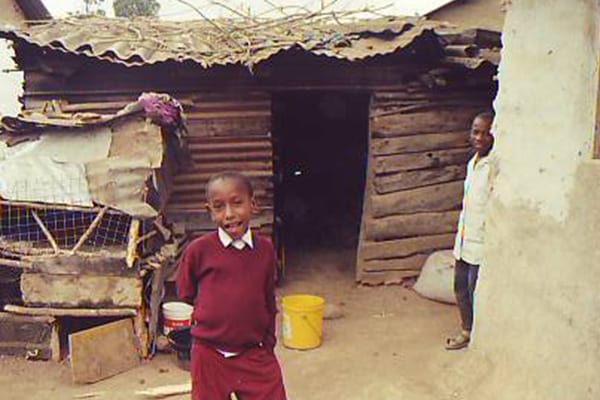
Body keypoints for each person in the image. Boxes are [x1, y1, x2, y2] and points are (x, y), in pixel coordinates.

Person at [176, 171, 287, 400]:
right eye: (219, 207)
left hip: (253, 352)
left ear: (252, 204)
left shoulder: (264, 249)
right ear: (209, 211)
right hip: (209, 354)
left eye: (237, 203)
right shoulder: (199, 251)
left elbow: (268, 297)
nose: (229, 214)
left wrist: (268, 342)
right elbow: (186, 293)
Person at [446, 112, 494, 350]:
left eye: (486, 132)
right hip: (465, 239)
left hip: (482, 242)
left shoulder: (492, 167)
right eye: (476, 131)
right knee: (460, 287)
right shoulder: (472, 163)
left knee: (477, 291)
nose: (480, 137)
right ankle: (467, 330)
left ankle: (480, 338)